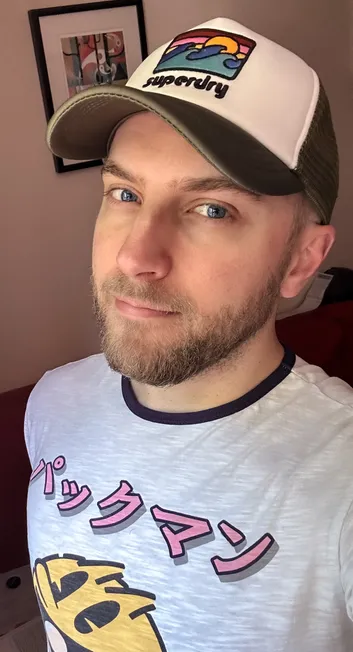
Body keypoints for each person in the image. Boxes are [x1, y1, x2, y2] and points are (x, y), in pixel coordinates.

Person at [25, 16, 353, 652]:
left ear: (303, 262)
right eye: (124, 193)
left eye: (212, 209)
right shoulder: (53, 404)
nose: (136, 258)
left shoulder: (339, 478)